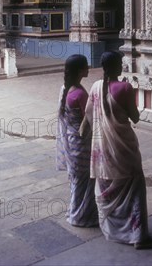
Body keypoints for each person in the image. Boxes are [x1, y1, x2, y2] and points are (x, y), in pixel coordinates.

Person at [82, 50, 152, 249]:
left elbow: (89, 116)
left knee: (106, 186)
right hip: (123, 147)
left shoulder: (95, 86)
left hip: (103, 148)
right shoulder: (125, 87)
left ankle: (114, 230)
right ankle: (138, 237)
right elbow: (134, 117)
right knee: (134, 189)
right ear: (119, 66)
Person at [56, 54, 98, 227]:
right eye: (86, 67)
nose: (88, 69)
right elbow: (90, 118)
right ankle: (81, 216)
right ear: (80, 70)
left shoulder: (67, 89)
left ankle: (76, 211)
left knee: (78, 180)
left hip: (71, 142)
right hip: (82, 143)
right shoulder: (80, 93)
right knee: (86, 180)